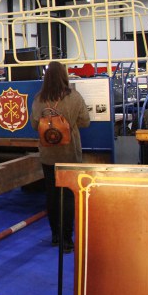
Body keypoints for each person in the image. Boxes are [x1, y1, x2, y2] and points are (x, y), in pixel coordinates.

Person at [29, 61, 90, 253]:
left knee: (52, 195)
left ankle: (55, 235)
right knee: (68, 196)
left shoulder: (39, 99)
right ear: (64, 75)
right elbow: (85, 121)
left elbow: (34, 125)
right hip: (70, 154)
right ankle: (67, 239)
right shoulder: (74, 97)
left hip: (48, 155)